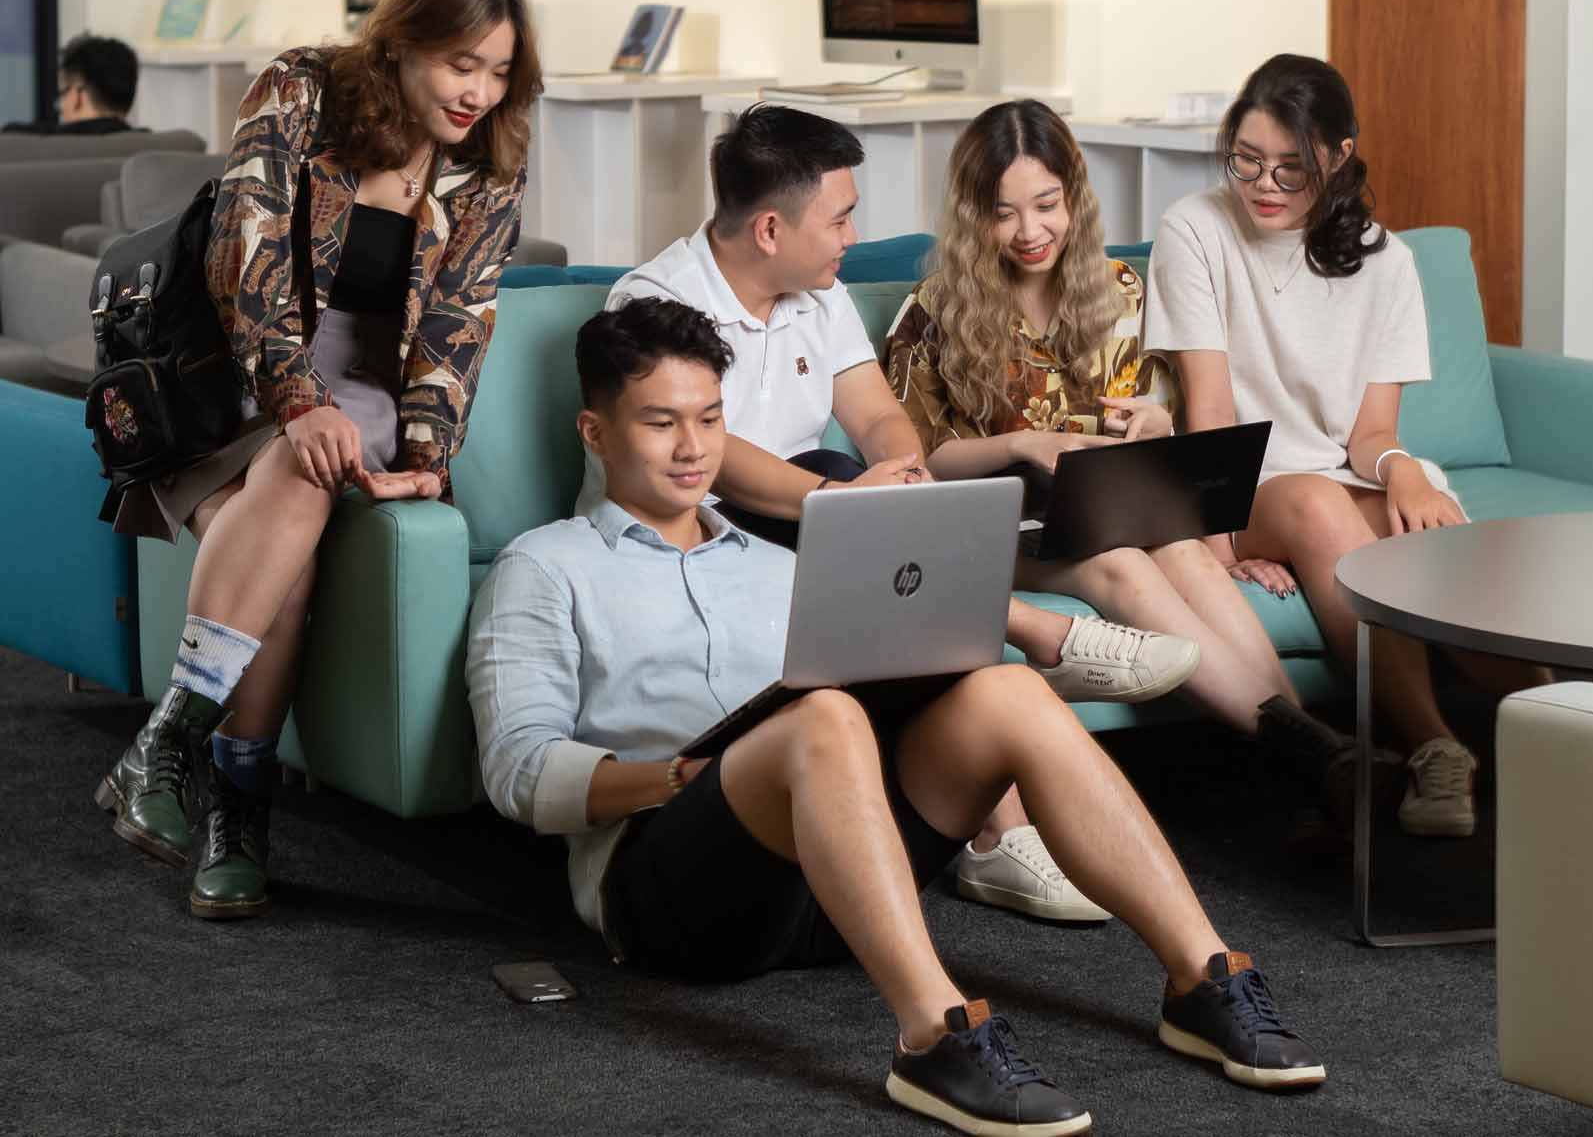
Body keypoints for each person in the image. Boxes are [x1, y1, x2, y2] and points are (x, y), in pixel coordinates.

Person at [466, 297, 1328, 1135]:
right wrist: (680, 779)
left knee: (1005, 691)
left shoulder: (775, 561)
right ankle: (934, 1036)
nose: (694, 449)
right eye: (661, 423)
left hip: (833, 882)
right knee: (824, 719)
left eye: (710, 418)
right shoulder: (545, 567)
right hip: (671, 899)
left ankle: (1202, 977)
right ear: (595, 432)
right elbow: (517, 773)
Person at [587, 102, 1201, 923]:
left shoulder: (817, 292)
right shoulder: (654, 302)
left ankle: (999, 834)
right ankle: (1033, 659)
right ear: (770, 228)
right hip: (702, 530)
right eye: (840, 219)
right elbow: (708, 456)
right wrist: (842, 500)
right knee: (833, 481)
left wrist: (898, 470)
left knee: (860, 480)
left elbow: (878, 411)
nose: (851, 236)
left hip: (816, 522)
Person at [93, 0, 539, 918]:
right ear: (404, 42)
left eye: (499, 70)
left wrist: (426, 453)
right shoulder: (299, 91)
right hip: (235, 373)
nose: (479, 92)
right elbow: (241, 262)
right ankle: (232, 793)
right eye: (460, 63)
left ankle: (170, 750)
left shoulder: (489, 163)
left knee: (304, 477)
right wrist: (297, 402)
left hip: (371, 383)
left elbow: (458, 325)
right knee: (292, 526)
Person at [884, 99, 1377, 818]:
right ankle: (1315, 758)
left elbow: (1165, 425)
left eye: (1047, 205)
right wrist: (1023, 444)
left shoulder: (1117, 290)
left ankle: (1309, 750)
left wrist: (1156, 420)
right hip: (991, 529)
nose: (1030, 232)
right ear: (971, 215)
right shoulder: (930, 312)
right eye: (1004, 212)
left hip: (1107, 513)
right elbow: (918, 464)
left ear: (1074, 197)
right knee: (1124, 566)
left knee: (1183, 551)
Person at [1144, 54, 1551, 838]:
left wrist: (1402, 474)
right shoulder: (1195, 228)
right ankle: (1433, 744)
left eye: (1291, 169)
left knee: (1423, 534)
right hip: (1246, 484)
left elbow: (1370, 435)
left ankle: (1568, 727)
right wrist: (1221, 542)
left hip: (1336, 476)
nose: (1263, 185)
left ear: (1337, 156)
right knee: (1311, 497)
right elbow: (1211, 406)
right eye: (1248, 161)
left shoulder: (1387, 262)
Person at [4, 34, 141, 134]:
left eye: (62, 93)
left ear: (79, 96)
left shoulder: (19, 144)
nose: (58, 105)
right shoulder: (152, 152)